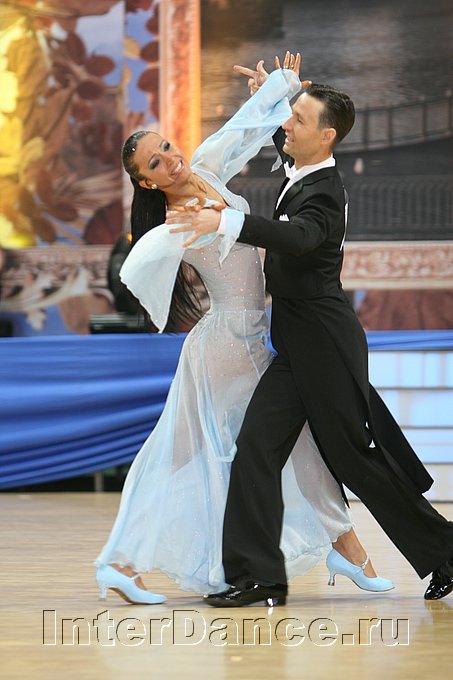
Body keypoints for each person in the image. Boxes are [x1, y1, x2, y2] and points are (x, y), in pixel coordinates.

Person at [95, 54, 393, 605]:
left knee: (270, 447)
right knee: (188, 452)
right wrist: (157, 276)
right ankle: (121, 562)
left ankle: (347, 550)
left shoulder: (206, 169)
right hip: (225, 347)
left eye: (166, 147)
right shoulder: (175, 222)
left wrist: (278, 90)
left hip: (253, 338)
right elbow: (137, 266)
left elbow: (243, 130)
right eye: (155, 163)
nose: (170, 159)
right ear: (145, 181)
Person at [168, 62, 453, 607]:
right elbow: (278, 140)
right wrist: (273, 96)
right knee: (256, 448)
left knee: (354, 460)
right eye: (290, 118)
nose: (288, 127)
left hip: (324, 345)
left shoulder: (323, 193)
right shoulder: (303, 169)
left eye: (299, 120)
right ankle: (258, 576)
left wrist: (226, 222)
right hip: (298, 347)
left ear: (326, 136)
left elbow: (299, 237)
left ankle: (445, 550)